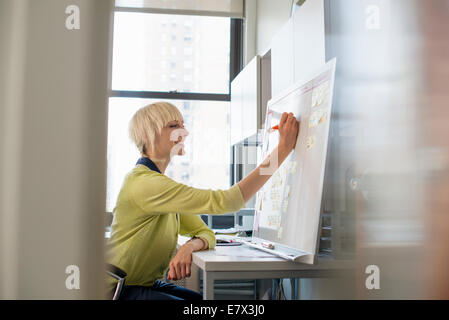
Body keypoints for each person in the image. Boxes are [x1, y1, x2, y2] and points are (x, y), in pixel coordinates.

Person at [107, 101, 299, 300]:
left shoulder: (161, 189)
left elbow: (206, 232)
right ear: (149, 135)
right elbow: (227, 201)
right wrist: (282, 149)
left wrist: (189, 247)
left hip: (141, 284)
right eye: (174, 126)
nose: (184, 133)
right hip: (118, 291)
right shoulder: (145, 184)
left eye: (183, 125)